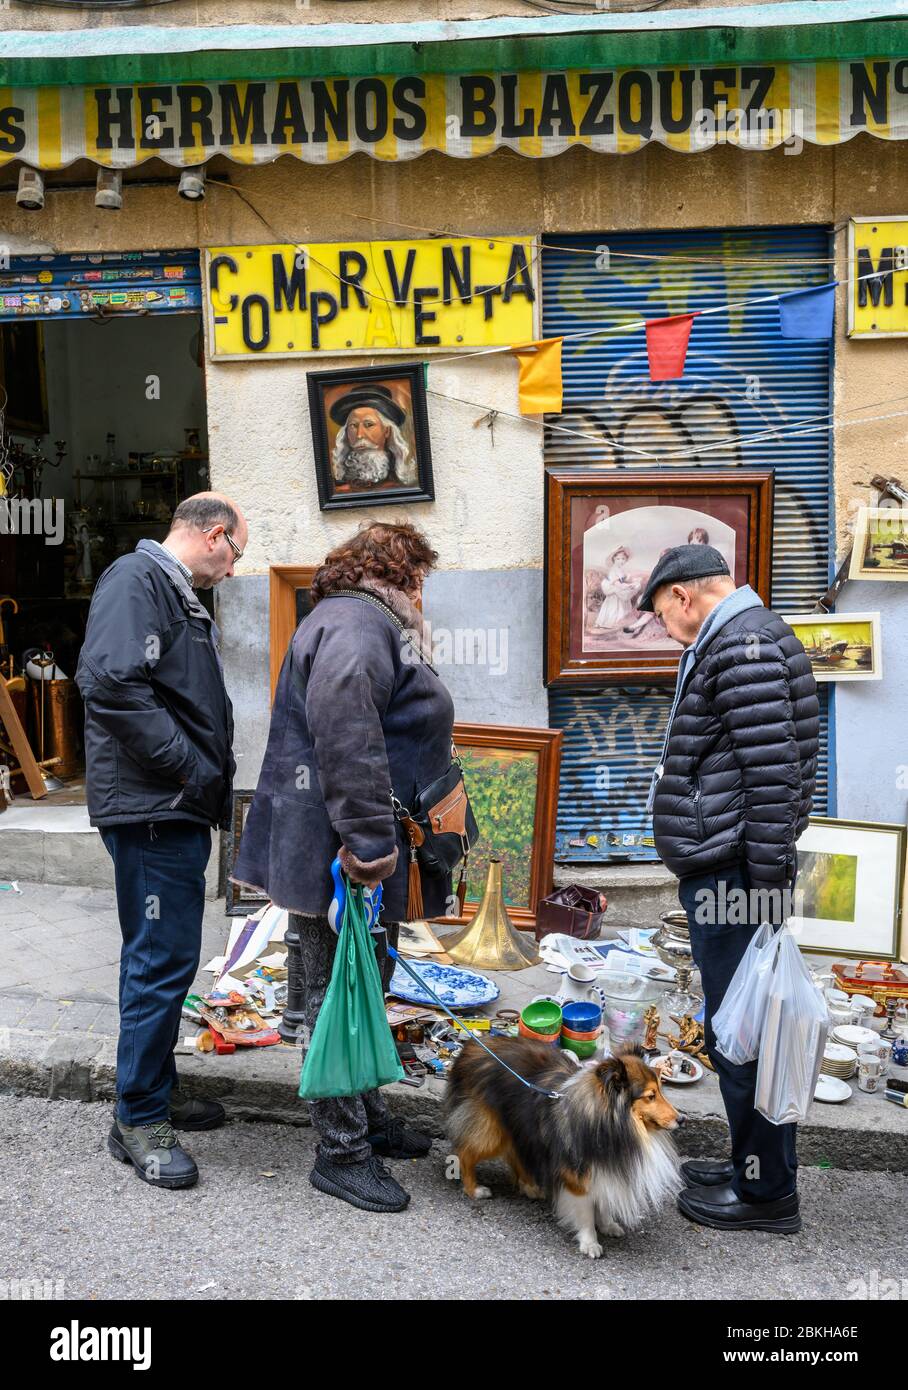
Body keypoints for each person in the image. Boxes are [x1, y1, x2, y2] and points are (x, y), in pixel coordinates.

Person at [232, 520, 453, 1214]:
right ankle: (341, 1153)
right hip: (343, 852)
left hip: (341, 843)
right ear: (406, 575)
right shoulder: (359, 627)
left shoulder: (355, 619)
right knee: (338, 994)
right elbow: (349, 741)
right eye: (424, 583)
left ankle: (367, 1117)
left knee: (362, 981)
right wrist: (368, 848)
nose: (426, 596)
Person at [637, 544, 818, 1234]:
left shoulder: (743, 645)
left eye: (662, 614)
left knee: (746, 1035)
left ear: (684, 596)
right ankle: (751, 1165)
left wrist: (762, 887)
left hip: (739, 874)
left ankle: (766, 1194)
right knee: (739, 1023)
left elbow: (774, 777)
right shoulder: (744, 638)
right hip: (738, 868)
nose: (666, 628)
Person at [76, 493, 247, 1190]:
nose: (235, 570)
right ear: (213, 536)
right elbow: (110, 683)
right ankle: (138, 1119)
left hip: (166, 805)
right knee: (159, 960)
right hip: (153, 806)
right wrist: (189, 766)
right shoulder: (136, 578)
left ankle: (154, 1089)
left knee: (166, 958)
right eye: (236, 553)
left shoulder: (164, 588)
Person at [330, 384, 418, 488]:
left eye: (369, 425)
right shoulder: (337, 487)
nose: (359, 435)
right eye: (353, 425)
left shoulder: (402, 485)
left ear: (387, 431)